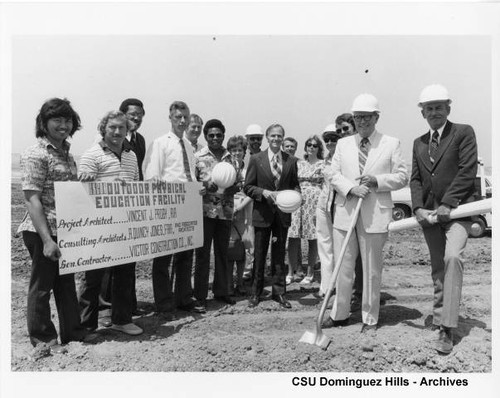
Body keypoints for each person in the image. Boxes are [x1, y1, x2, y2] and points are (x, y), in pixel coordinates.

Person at [322, 94, 408, 332]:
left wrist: (376, 181)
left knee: (371, 270)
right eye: (358, 117)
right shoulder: (343, 144)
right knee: (343, 267)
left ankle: (370, 318)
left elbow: (402, 176)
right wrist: (351, 188)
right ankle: (339, 314)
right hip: (346, 211)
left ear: (376, 117)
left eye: (367, 117)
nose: (362, 122)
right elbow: (332, 173)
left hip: (375, 215)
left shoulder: (391, 143)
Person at [17, 98, 93, 353]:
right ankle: (43, 339)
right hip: (42, 231)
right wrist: (48, 239)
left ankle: (74, 333)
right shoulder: (36, 153)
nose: (64, 125)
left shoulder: (66, 153)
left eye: (68, 120)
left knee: (65, 284)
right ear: (44, 123)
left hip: (66, 230)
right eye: (57, 120)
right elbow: (32, 198)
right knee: (42, 287)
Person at [410, 84, 477, 354]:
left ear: (448, 108)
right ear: (422, 113)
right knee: (438, 268)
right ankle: (439, 319)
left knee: (452, 259)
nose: (434, 112)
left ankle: (447, 329)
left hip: (458, 212)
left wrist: (449, 203)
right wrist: (417, 209)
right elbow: (415, 180)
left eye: (439, 107)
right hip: (430, 215)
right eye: (429, 108)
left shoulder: (463, 132)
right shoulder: (419, 143)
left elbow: (467, 169)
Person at [78, 111, 143, 336]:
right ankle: (85, 327)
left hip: (124, 224)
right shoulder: (91, 154)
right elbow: (80, 190)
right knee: (92, 278)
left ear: (128, 131)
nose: (117, 132)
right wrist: (90, 180)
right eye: (112, 128)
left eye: (121, 129)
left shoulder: (131, 155)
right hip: (99, 226)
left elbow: (135, 185)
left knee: (125, 274)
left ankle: (122, 320)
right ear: (103, 129)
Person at [143, 101, 205, 319]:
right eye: (178, 117)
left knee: (185, 255)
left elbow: (191, 175)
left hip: (187, 205)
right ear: (170, 118)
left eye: (185, 117)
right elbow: (152, 176)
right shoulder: (161, 143)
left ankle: (183, 298)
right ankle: (164, 303)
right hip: (167, 206)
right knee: (163, 258)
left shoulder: (189, 146)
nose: (182, 121)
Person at [244, 123, 300, 308]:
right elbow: (248, 187)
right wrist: (264, 193)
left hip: (282, 216)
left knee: (278, 255)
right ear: (267, 137)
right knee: (259, 255)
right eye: (273, 136)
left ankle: (279, 293)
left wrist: (297, 198)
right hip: (262, 214)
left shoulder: (291, 161)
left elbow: (294, 185)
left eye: (279, 136)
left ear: (283, 138)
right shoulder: (256, 159)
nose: (276, 139)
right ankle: (255, 293)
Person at [194, 120, 241, 309]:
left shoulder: (232, 159)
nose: (215, 138)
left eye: (218, 135)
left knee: (223, 253)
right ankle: (199, 296)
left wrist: (232, 188)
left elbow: (240, 182)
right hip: (204, 212)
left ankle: (222, 292)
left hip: (225, 211)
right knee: (203, 255)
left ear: (223, 135)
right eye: (211, 135)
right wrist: (205, 186)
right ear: (205, 136)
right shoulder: (197, 157)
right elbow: (192, 183)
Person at [334, 113, 364, 312]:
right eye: (339, 131)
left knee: (363, 260)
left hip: (366, 210)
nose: (342, 133)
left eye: (345, 128)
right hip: (344, 206)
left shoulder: (365, 146)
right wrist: (350, 189)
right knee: (344, 259)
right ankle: (342, 305)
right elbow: (333, 175)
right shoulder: (339, 148)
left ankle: (363, 295)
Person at [287, 135, 325, 285]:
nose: (311, 147)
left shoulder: (323, 164)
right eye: (309, 144)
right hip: (298, 200)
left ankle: (310, 273)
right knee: (293, 236)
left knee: (312, 237)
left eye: (315, 145)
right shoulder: (299, 164)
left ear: (319, 148)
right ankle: (291, 272)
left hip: (315, 201)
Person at [315, 124, 343, 297]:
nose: (330, 142)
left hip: (339, 206)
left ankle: (341, 286)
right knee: (324, 247)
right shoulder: (325, 160)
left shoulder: (343, 159)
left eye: (334, 138)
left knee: (340, 248)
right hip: (324, 205)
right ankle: (326, 286)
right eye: (327, 139)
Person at [226, 135, 253, 296]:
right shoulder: (226, 168)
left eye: (240, 150)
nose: (237, 153)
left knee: (244, 248)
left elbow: (252, 191)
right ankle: (229, 284)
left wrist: (240, 206)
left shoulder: (249, 169)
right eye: (234, 150)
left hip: (245, 209)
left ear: (245, 152)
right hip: (229, 209)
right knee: (230, 248)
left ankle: (241, 281)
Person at [242, 123, 264, 281]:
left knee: (253, 239)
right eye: (252, 138)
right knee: (242, 238)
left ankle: (252, 272)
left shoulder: (264, 158)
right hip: (240, 203)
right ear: (247, 139)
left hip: (256, 203)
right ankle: (243, 271)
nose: (255, 141)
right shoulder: (241, 156)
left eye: (258, 138)